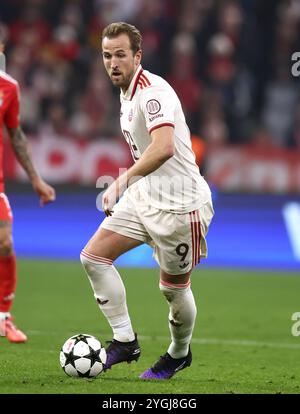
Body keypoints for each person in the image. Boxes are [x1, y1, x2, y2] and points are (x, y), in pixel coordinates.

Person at [80, 22, 214, 380]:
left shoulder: (152, 92)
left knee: (172, 291)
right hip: (145, 197)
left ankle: (178, 353)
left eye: (121, 55)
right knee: (93, 258)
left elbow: (164, 147)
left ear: (137, 56)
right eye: (107, 56)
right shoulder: (125, 94)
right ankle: (125, 341)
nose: (113, 62)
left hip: (180, 207)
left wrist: (121, 181)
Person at [0, 39, 56, 343]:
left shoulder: (8, 88)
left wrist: (36, 179)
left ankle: (3, 318)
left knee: (5, 242)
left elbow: (15, 134)